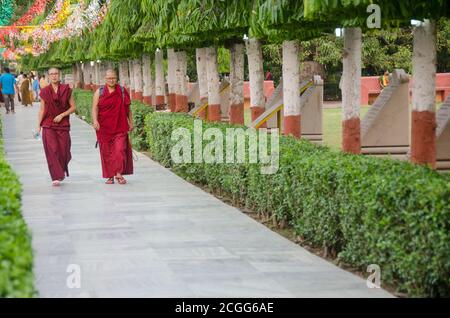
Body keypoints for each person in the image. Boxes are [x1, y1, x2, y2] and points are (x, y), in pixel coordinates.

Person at [36, 67, 76, 187]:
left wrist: (62, 115)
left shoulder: (66, 89)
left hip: (62, 124)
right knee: (51, 150)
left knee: (64, 150)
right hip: (48, 124)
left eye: (56, 74)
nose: (54, 76)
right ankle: (55, 176)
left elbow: (73, 107)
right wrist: (38, 125)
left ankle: (61, 170)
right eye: (52, 74)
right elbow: (42, 109)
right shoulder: (45, 91)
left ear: (59, 75)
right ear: (48, 76)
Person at [92, 69, 133, 185]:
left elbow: (128, 109)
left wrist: (131, 122)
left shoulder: (122, 91)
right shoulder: (99, 92)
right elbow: (94, 108)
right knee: (107, 152)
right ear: (105, 79)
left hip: (120, 126)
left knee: (120, 150)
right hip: (103, 128)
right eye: (109, 78)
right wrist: (95, 121)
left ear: (117, 78)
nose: (111, 80)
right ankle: (110, 175)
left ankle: (118, 173)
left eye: (113, 78)